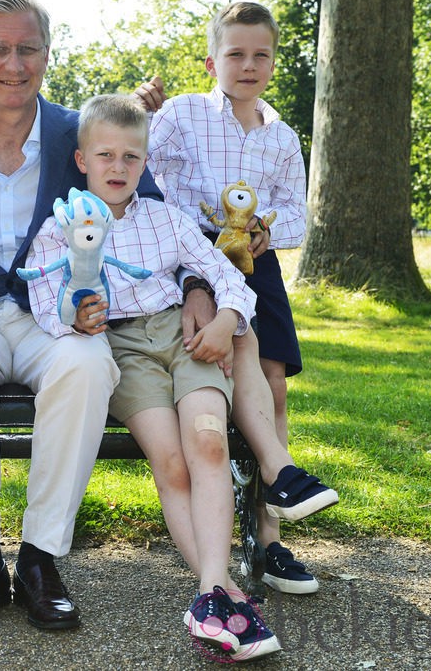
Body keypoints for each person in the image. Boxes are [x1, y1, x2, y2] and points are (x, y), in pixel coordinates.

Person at [0, 0, 162, 630]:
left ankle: (41, 556)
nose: (14, 63)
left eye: (28, 48)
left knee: (86, 366)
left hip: (58, 316)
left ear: (48, 56)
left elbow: (153, 212)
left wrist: (195, 289)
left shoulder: (78, 132)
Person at [25, 94, 286, 660]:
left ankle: (211, 593)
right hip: (119, 346)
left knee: (209, 445)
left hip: (184, 338)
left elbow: (229, 274)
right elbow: (46, 304)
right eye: (106, 156)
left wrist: (225, 318)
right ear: (82, 161)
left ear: (145, 163)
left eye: (131, 158)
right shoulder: (62, 229)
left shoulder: (167, 219)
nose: (119, 168)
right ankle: (223, 593)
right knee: (171, 462)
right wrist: (76, 314)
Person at [144, 2, 335, 594]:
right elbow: (150, 184)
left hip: (258, 260)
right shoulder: (182, 114)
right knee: (230, 363)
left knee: (273, 382)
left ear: (274, 63)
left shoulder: (280, 134)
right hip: (194, 256)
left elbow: (297, 217)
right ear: (212, 60)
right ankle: (227, 523)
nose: (248, 65)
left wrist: (265, 228)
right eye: (236, 54)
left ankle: (271, 535)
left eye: (261, 55)